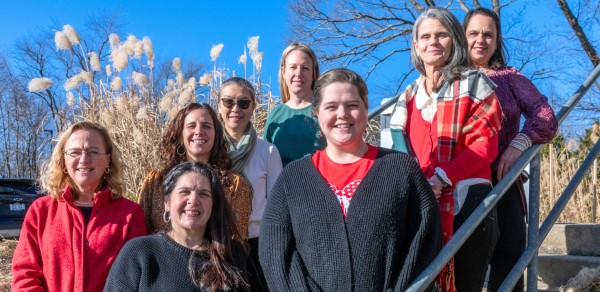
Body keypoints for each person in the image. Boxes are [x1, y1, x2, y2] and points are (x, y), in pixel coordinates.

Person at [259, 68, 442, 291]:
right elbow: (276, 253)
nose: (342, 114)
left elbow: (424, 243)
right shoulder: (292, 179)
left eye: (352, 105)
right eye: (331, 107)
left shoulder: (402, 169)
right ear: (316, 113)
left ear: (366, 109)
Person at [389, 6, 504, 292]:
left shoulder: (476, 85)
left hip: (469, 200)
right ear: (416, 45)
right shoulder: (406, 99)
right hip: (422, 206)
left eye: (441, 35)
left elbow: (484, 146)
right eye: (425, 36)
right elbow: (398, 154)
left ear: (454, 40)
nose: (433, 42)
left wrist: (441, 178)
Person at [463, 8, 558, 292]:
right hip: (461, 181)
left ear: (497, 40)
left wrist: (520, 143)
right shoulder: (448, 78)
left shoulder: (510, 78)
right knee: (465, 257)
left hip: (503, 180)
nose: (481, 40)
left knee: (512, 254)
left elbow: (545, 116)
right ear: (462, 37)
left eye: (488, 34)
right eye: (474, 33)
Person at [12, 121, 147, 292]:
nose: (84, 159)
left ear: (108, 160)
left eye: (93, 151)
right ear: (63, 160)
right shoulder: (41, 211)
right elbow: (25, 274)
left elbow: (135, 277)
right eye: (75, 152)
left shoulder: (129, 214)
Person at [104, 162, 264, 291]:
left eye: (203, 194)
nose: (193, 201)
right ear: (166, 203)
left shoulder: (235, 255)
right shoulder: (139, 253)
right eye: (184, 192)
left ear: (213, 205)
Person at [138, 103, 251, 238]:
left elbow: (235, 243)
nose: (199, 131)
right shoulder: (155, 181)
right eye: (191, 126)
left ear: (216, 135)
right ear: (180, 135)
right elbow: (142, 234)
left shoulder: (235, 186)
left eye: (206, 126)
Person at [217, 77, 283, 287]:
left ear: (253, 107)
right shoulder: (210, 149)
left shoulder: (268, 151)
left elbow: (276, 206)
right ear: (219, 106)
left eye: (244, 103)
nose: (236, 108)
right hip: (217, 241)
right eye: (228, 102)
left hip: (257, 246)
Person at [263, 43, 326, 167]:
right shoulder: (275, 116)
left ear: (313, 73)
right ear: (283, 72)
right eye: (293, 67)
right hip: (282, 185)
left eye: (305, 68)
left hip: (319, 183)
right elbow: (265, 161)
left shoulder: (326, 111)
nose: (298, 73)